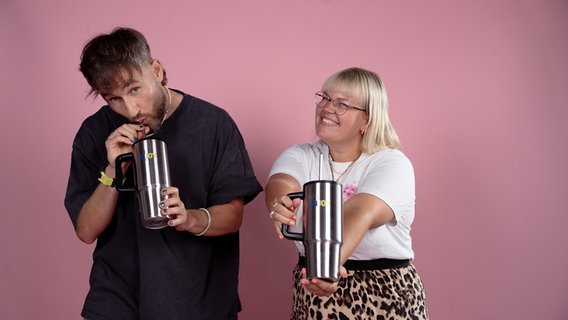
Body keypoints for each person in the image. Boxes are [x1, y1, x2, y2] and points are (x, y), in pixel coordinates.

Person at [64, 27, 263, 320]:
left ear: (155, 70)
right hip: (117, 301)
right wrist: (112, 171)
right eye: (113, 99)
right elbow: (86, 231)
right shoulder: (94, 133)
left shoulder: (212, 124)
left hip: (200, 302)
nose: (130, 109)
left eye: (134, 89)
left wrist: (190, 218)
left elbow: (233, 216)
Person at [265, 67, 428, 319]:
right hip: (314, 293)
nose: (327, 107)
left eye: (343, 103)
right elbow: (281, 184)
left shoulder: (392, 163)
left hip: (384, 295)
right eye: (325, 98)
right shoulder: (300, 155)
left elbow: (361, 212)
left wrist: (326, 267)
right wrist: (280, 204)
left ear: (367, 120)